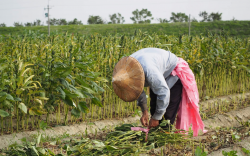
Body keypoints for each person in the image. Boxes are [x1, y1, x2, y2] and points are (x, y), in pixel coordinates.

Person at [112, 48, 206, 136]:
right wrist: (145, 111)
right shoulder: (127, 68)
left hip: (173, 73)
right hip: (158, 72)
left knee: (167, 115)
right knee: (154, 107)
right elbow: (137, 90)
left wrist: (156, 118)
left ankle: (164, 138)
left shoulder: (150, 72)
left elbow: (164, 93)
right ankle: (155, 134)